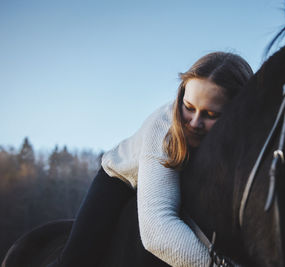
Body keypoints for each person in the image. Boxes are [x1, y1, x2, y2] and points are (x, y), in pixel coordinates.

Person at [49, 52, 253, 267]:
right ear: (181, 96)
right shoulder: (164, 127)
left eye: (210, 115)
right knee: (75, 261)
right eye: (189, 107)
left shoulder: (249, 135)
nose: (194, 123)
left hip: (184, 184)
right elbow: (157, 231)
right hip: (122, 181)